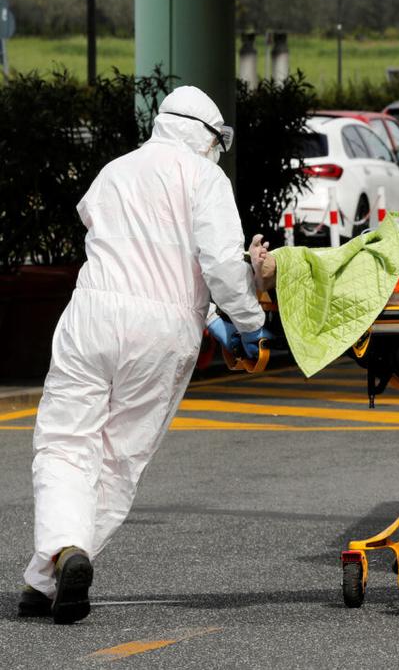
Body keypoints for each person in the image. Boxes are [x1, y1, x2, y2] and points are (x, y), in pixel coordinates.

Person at [18, 86, 272, 624]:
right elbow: (220, 267)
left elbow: (133, 253)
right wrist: (249, 325)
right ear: (207, 135)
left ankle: (54, 565)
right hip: (162, 334)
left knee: (65, 441)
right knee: (120, 457)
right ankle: (53, 571)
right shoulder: (206, 178)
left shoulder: (115, 171)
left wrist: (212, 319)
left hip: (91, 317)